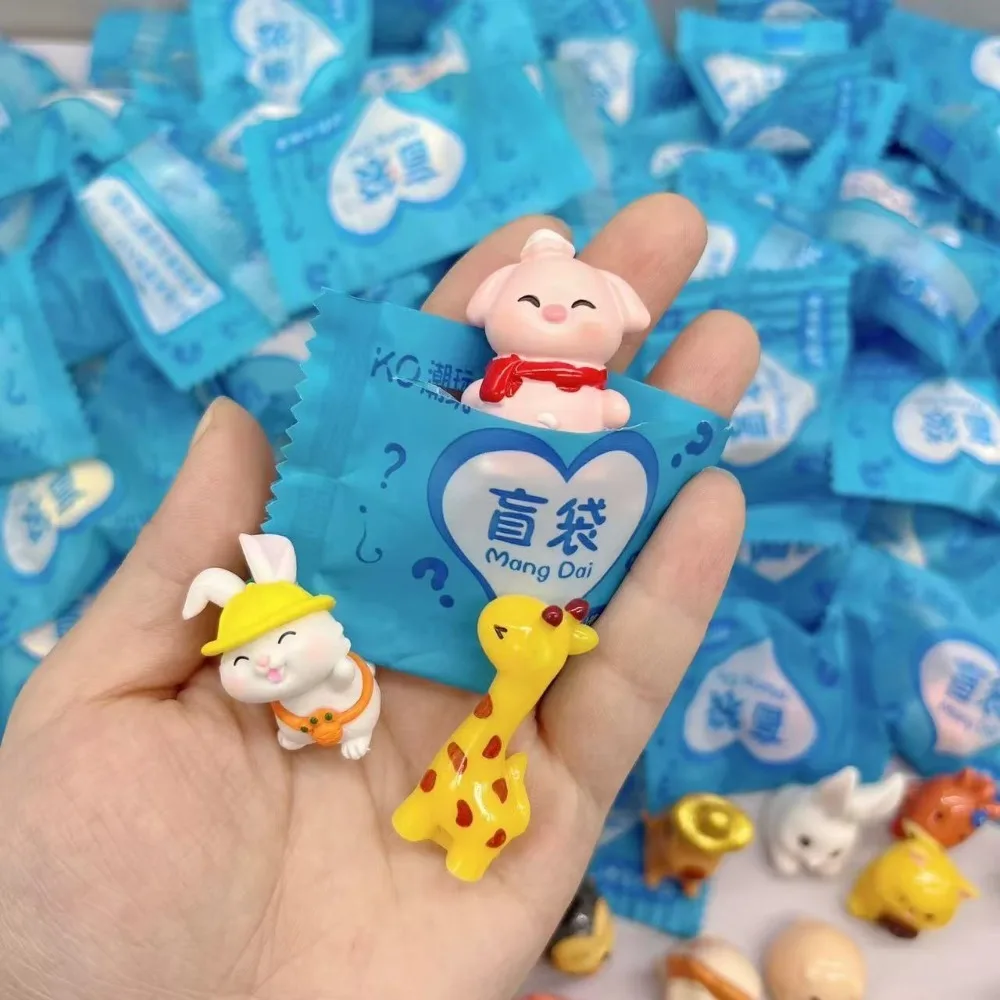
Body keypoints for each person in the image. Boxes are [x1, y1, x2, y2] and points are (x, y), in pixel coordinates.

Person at [0, 196, 759, 1000]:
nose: (556, 315)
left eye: (579, 309)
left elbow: (607, 412)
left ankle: (435, 809)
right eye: (535, 301)